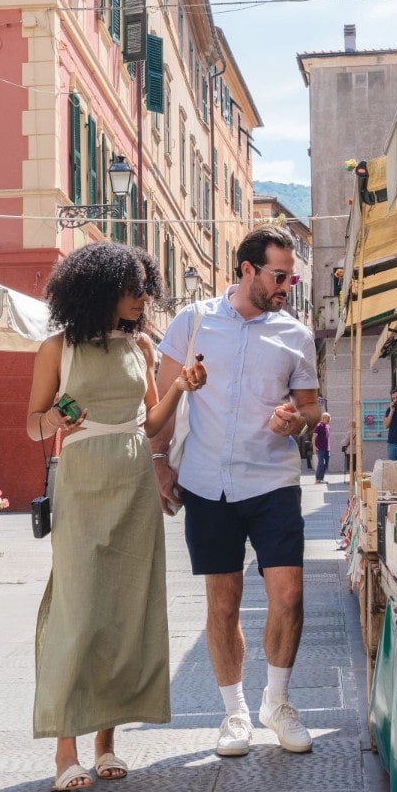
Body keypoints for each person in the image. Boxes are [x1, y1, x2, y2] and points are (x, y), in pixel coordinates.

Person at [27, 242, 203, 792]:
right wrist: (54, 419)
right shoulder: (57, 348)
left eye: (143, 288)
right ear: (98, 291)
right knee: (78, 611)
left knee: (125, 610)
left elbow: (150, 425)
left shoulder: (142, 346)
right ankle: (65, 751)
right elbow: (31, 424)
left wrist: (179, 387)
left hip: (133, 483)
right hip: (81, 484)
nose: (141, 298)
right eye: (131, 289)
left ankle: (105, 743)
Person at [154, 226, 321, 760]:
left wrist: (297, 419)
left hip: (272, 481)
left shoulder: (295, 335)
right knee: (223, 603)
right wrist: (159, 462)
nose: (286, 287)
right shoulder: (192, 321)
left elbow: (312, 408)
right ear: (247, 269)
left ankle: (278, 702)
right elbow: (164, 398)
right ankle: (234, 712)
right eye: (279, 276)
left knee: (288, 596)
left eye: (291, 279)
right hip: (207, 482)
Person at [313, 412, 331, 484]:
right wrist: (314, 446)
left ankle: (321, 478)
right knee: (321, 463)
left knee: (325, 464)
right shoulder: (318, 426)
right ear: (323, 418)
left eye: (329, 418)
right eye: (328, 418)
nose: (329, 420)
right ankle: (317, 479)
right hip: (320, 448)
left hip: (327, 448)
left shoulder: (328, 426)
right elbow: (314, 437)